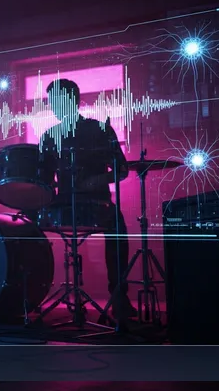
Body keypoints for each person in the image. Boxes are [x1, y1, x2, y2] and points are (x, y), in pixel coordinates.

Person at [39, 78, 137, 319]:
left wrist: (96, 181)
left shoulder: (100, 129)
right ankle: (27, 291)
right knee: (27, 222)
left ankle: (118, 296)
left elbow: (122, 170)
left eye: (57, 101)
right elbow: (43, 180)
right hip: (63, 204)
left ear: (73, 101)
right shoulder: (49, 135)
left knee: (117, 224)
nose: (53, 107)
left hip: (96, 203)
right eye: (51, 102)